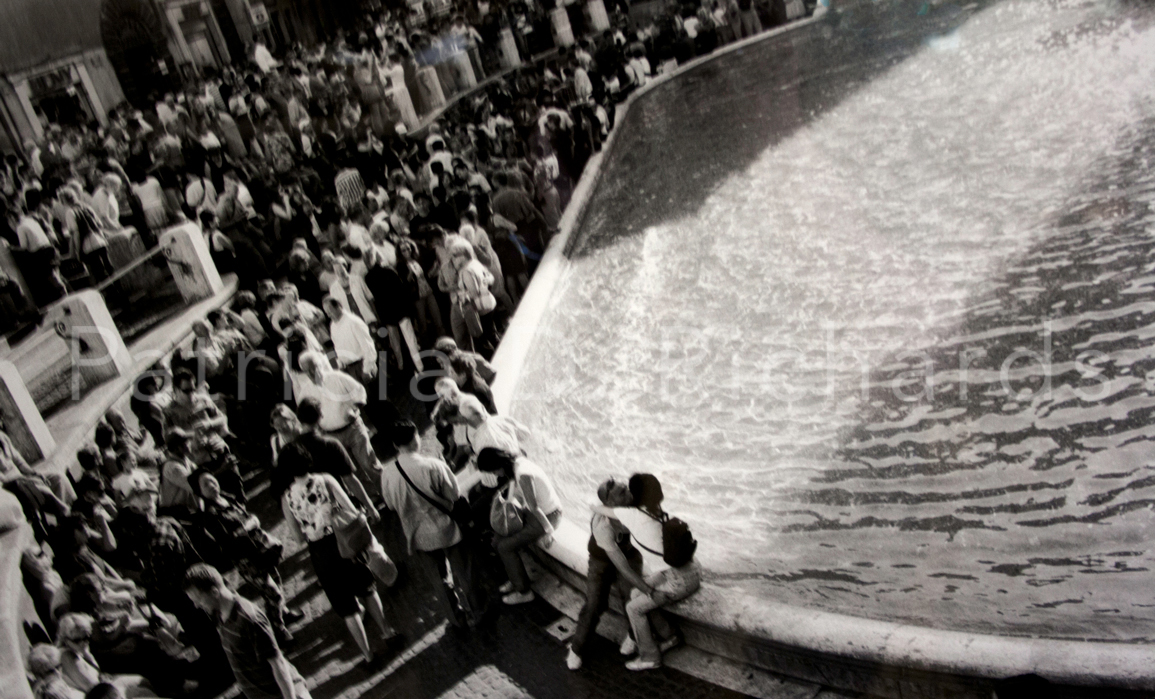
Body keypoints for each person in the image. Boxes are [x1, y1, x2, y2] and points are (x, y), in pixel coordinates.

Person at [276, 449, 398, 663]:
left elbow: (298, 538)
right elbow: (351, 510)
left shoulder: (286, 499)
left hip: (320, 553)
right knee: (367, 590)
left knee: (347, 607)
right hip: (346, 541)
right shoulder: (325, 480)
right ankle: (388, 632)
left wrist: (313, 525)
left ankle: (368, 655)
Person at [566, 478, 676, 671]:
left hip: (630, 553)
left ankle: (633, 635)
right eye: (622, 493)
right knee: (594, 603)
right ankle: (577, 648)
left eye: (626, 489)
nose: (629, 494)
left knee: (630, 594)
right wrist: (650, 591)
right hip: (601, 559)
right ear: (610, 503)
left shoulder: (637, 505)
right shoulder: (602, 524)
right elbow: (623, 567)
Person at [381, 420, 481, 628]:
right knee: (465, 571)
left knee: (439, 579)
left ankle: (456, 618)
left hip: (417, 534)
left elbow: (390, 505)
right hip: (446, 527)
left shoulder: (388, 473)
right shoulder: (433, 465)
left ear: (395, 445)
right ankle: (479, 611)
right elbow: (453, 494)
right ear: (416, 439)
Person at [595, 473, 700, 670]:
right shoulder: (655, 510)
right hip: (689, 569)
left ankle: (650, 657)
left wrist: (652, 591)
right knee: (636, 593)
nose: (628, 493)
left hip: (679, 580)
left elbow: (597, 507)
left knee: (633, 608)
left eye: (628, 490)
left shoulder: (633, 516)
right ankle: (670, 636)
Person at [192, 471, 296, 642]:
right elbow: (228, 541)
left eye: (211, 480)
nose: (211, 485)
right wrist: (249, 525)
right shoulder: (210, 515)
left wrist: (251, 521)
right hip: (247, 560)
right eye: (205, 484)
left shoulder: (227, 498)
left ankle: (283, 613)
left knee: (276, 581)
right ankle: (278, 630)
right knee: (272, 593)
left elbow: (245, 515)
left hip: (260, 549)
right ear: (199, 492)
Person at [183, 564, 311, 699]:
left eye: (198, 600)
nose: (196, 605)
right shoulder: (219, 615)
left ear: (214, 592)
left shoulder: (249, 619)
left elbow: (278, 663)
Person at [475, 447, 561, 605]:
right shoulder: (515, 465)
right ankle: (515, 578)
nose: (496, 475)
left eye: (493, 471)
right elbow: (517, 497)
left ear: (498, 464)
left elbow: (534, 506)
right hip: (535, 513)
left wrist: (548, 530)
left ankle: (524, 592)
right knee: (497, 540)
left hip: (549, 515)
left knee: (505, 547)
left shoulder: (522, 473)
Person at [293, 353, 379, 483]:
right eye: (306, 371)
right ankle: (371, 494)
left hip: (353, 429)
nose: (310, 373)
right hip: (330, 436)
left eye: (312, 368)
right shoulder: (305, 393)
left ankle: (387, 491)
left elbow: (360, 392)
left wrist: (354, 408)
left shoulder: (337, 377)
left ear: (320, 365)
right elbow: (303, 418)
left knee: (370, 464)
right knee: (351, 473)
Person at [55, 613, 152, 698]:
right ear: (65, 639)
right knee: (141, 686)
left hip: (102, 686)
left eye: (86, 637)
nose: (83, 643)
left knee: (142, 681)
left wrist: (86, 653)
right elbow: (93, 688)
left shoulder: (78, 650)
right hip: (99, 693)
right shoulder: (67, 657)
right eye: (77, 640)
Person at [323, 295, 378, 385]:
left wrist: (366, 370)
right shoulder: (333, 326)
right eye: (327, 313)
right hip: (349, 370)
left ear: (338, 306)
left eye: (330, 311)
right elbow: (337, 346)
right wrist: (340, 364)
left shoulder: (353, 321)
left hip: (362, 366)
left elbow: (368, 347)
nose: (328, 315)